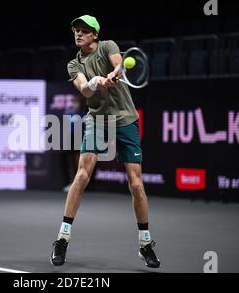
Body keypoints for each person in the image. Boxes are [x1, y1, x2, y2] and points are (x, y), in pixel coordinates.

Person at [50, 15, 160, 268]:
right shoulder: (73, 64)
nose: (78, 33)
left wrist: (112, 75)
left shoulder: (108, 45)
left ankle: (145, 244)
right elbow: (83, 90)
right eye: (76, 30)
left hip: (126, 119)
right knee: (82, 176)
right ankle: (62, 239)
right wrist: (94, 82)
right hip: (97, 120)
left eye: (84, 30)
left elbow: (118, 65)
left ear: (95, 35)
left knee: (136, 184)